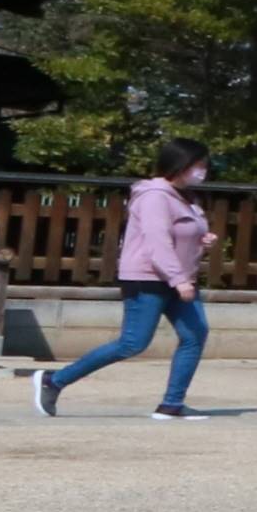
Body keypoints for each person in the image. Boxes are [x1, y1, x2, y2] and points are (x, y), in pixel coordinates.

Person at [36, 137, 215, 420]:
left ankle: (172, 403)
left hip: (178, 278)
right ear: (181, 164)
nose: (203, 170)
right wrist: (178, 279)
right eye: (199, 164)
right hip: (149, 279)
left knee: (195, 335)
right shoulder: (155, 196)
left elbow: (180, 233)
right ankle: (54, 381)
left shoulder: (186, 197)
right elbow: (157, 241)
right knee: (132, 343)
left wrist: (201, 240)